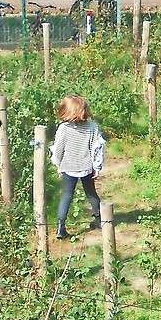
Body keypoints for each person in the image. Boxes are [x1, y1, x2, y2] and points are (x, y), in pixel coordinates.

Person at [50, 94, 106, 240]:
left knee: (66, 196)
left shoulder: (63, 128)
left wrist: (58, 164)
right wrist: (97, 166)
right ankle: (100, 221)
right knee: (91, 193)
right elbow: (97, 148)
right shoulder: (92, 126)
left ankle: (60, 228)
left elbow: (58, 150)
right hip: (86, 166)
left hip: (68, 167)